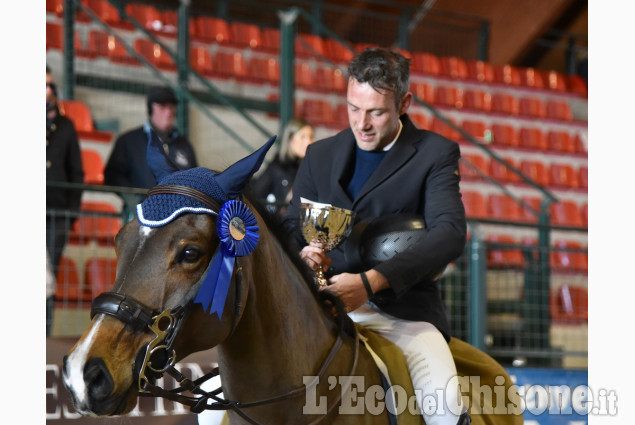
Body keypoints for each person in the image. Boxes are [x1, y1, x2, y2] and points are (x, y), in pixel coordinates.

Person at [282, 48, 469, 425]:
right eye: (353, 108)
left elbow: (449, 234)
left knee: (446, 407)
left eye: (376, 112)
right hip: (316, 306)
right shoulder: (318, 154)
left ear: (404, 104)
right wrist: (301, 254)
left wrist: (370, 283)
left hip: (403, 314)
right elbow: (290, 227)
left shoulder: (435, 153)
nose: (361, 123)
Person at [46, 66, 85, 336]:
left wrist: (70, 213)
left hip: (55, 213)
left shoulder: (66, 126)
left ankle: (43, 336)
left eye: (49, 85)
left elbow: (77, 172)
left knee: (46, 276)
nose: (46, 90)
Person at [104, 86, 198, 190]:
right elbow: (112, 175)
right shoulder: (128, 141)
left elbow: (194, 181)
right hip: (139, 205)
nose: (168, 112)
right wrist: (133, 198)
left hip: (176, 206)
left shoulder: (184, 145)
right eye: (162, 106)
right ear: (150, 109)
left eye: (171, 106)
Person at [249, 117, 315, 215]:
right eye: (303, 137)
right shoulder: (278, 167)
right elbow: (255, 194)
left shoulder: (309, 167)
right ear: (290, 139)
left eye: (311, 137)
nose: (308, 141)